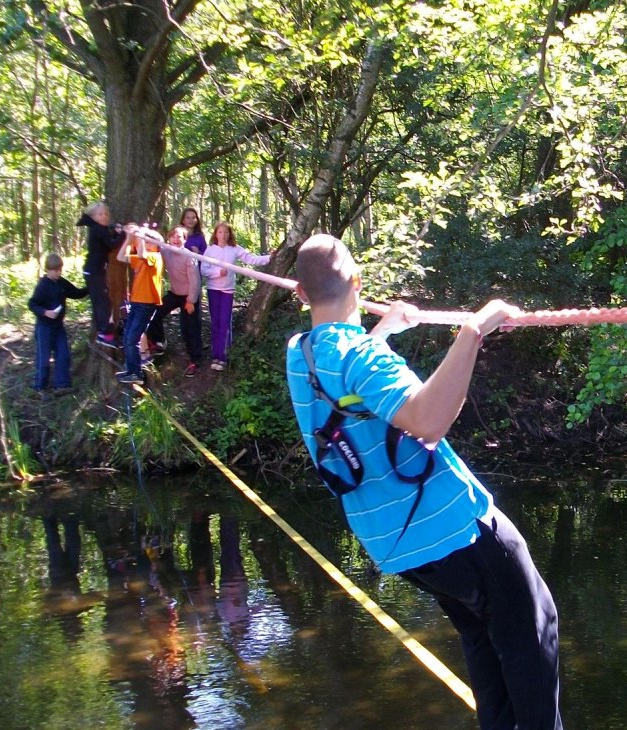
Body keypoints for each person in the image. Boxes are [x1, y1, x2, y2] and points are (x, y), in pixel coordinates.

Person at [285, 233, 561, 730]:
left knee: (482, 632)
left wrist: (383, 330)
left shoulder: (299, 353)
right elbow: (428, 419)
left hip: (396, 544)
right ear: (358, 281)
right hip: (456, 525)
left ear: (300, 295)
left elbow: (346, 379)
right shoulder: (361, 358)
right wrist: (473, 330)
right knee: (534, 630)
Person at [201, 222, 270, 371]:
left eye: (226, 232)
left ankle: (223, 357)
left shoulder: (234, 249)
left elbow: (251, 259)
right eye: (220, 232)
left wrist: (270, 257)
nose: (223, 235)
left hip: (227, 291)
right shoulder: (210, 250)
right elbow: (204, 270)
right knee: (216, 322)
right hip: (213, 289)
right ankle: (215, 355)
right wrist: (217, 273)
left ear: (230, 234)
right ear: (215, 234)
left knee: (225, 322)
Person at [144, 226, 205, 377]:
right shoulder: (166, 251)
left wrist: (191, 301)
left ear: (185, 240)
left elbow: (195, 281)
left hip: (189, 296)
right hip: (174, 293)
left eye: (180, 237)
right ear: (168, 239)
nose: (176, 240)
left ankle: (195, 360)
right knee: (154, 313)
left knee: (190, 328)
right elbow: (153, 244)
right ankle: (159, 341)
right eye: (173, 237)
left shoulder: (189, 256)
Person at [27, 253, 88, 399]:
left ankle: (62, 385)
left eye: (60, 270)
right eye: (55, 270)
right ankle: (39, 387)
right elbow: (32, 304)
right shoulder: (43, 285)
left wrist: (91, 286)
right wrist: (45, 312)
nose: (58, 273)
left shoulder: (61, 282)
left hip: (58, 327)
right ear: (48, 270)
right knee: (44, 358)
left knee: (63, 355)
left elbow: (76, 293)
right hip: (44, 327)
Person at [116, 227, 164, 384]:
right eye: (146, 242)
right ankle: (132, 370)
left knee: (132, 339)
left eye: (150, 242)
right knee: (127, 337)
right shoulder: (142, 256)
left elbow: (143, 254)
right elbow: (121, 256)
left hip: (147, 304)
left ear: (157, 246)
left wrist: (141, 236)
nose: (146, 244)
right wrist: (129, 239)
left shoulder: (155, 257)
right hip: (136, 303)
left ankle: (136, 373)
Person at [76, 202, 125, 347]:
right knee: (103, 303)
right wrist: (124, 234)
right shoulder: (98, 230)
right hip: (94, 272)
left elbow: (107, 242)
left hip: (95, 271)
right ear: (93, 216)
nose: (104, 217)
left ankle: (104, 332)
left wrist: (116, 233)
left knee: (101, 301)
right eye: (100, 214)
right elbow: (112, 245)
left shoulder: (99, 229)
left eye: (106, 214)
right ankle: (105, 333)